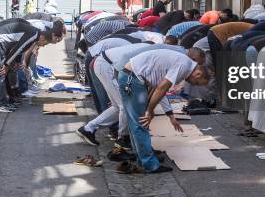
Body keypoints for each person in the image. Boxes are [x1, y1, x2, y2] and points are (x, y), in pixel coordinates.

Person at [76, 44, 204, 149]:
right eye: (198, 64)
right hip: (110, 65)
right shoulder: (182, 60)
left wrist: (169, 113)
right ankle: (122, 139)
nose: (197, 69)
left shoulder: (176, 53)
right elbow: (160, 88)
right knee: (124, 106)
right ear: (193, 59)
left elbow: (159, 86)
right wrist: (152, 110)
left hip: (107, 62)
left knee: (118, 106)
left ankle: (88, 129)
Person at [117, 49, 209, 173]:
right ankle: (149, 164)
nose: (194, 84)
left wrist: (151, 108)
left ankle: (143, 160)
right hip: (132, 78)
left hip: (132, 77)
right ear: (198, 74)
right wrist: (149, 110)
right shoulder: (184, 65)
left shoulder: (184, 64)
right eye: (197, 82)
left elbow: (156, 86)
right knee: (141, 122)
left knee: (137, 122)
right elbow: (161, 88)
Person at [0, 18, 46, 112]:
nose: (43, 45)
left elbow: (19, 47)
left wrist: (16, 62)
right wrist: (7, 64)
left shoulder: (32, 31)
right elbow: (19, 47)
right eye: (44, 43)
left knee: (5, 71)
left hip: (0, 40)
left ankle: (5, 101)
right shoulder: (33, 33)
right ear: (42, 37)